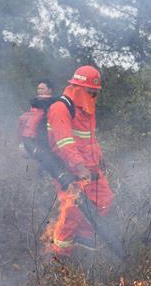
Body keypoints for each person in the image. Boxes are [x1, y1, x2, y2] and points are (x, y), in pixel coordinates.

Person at [44, 66, 113, 257]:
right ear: (78, 87)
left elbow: (89, 138)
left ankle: (84, 237)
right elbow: (64, 142)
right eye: (90, 92)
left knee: (104, 200)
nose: (93, 96)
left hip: (89, 168)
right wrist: (79, 167)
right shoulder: (60, 108)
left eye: (95, 93)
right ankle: (60, 253)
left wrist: (100, 157)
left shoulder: (86, 109)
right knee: (72, 210)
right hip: (70, 170)